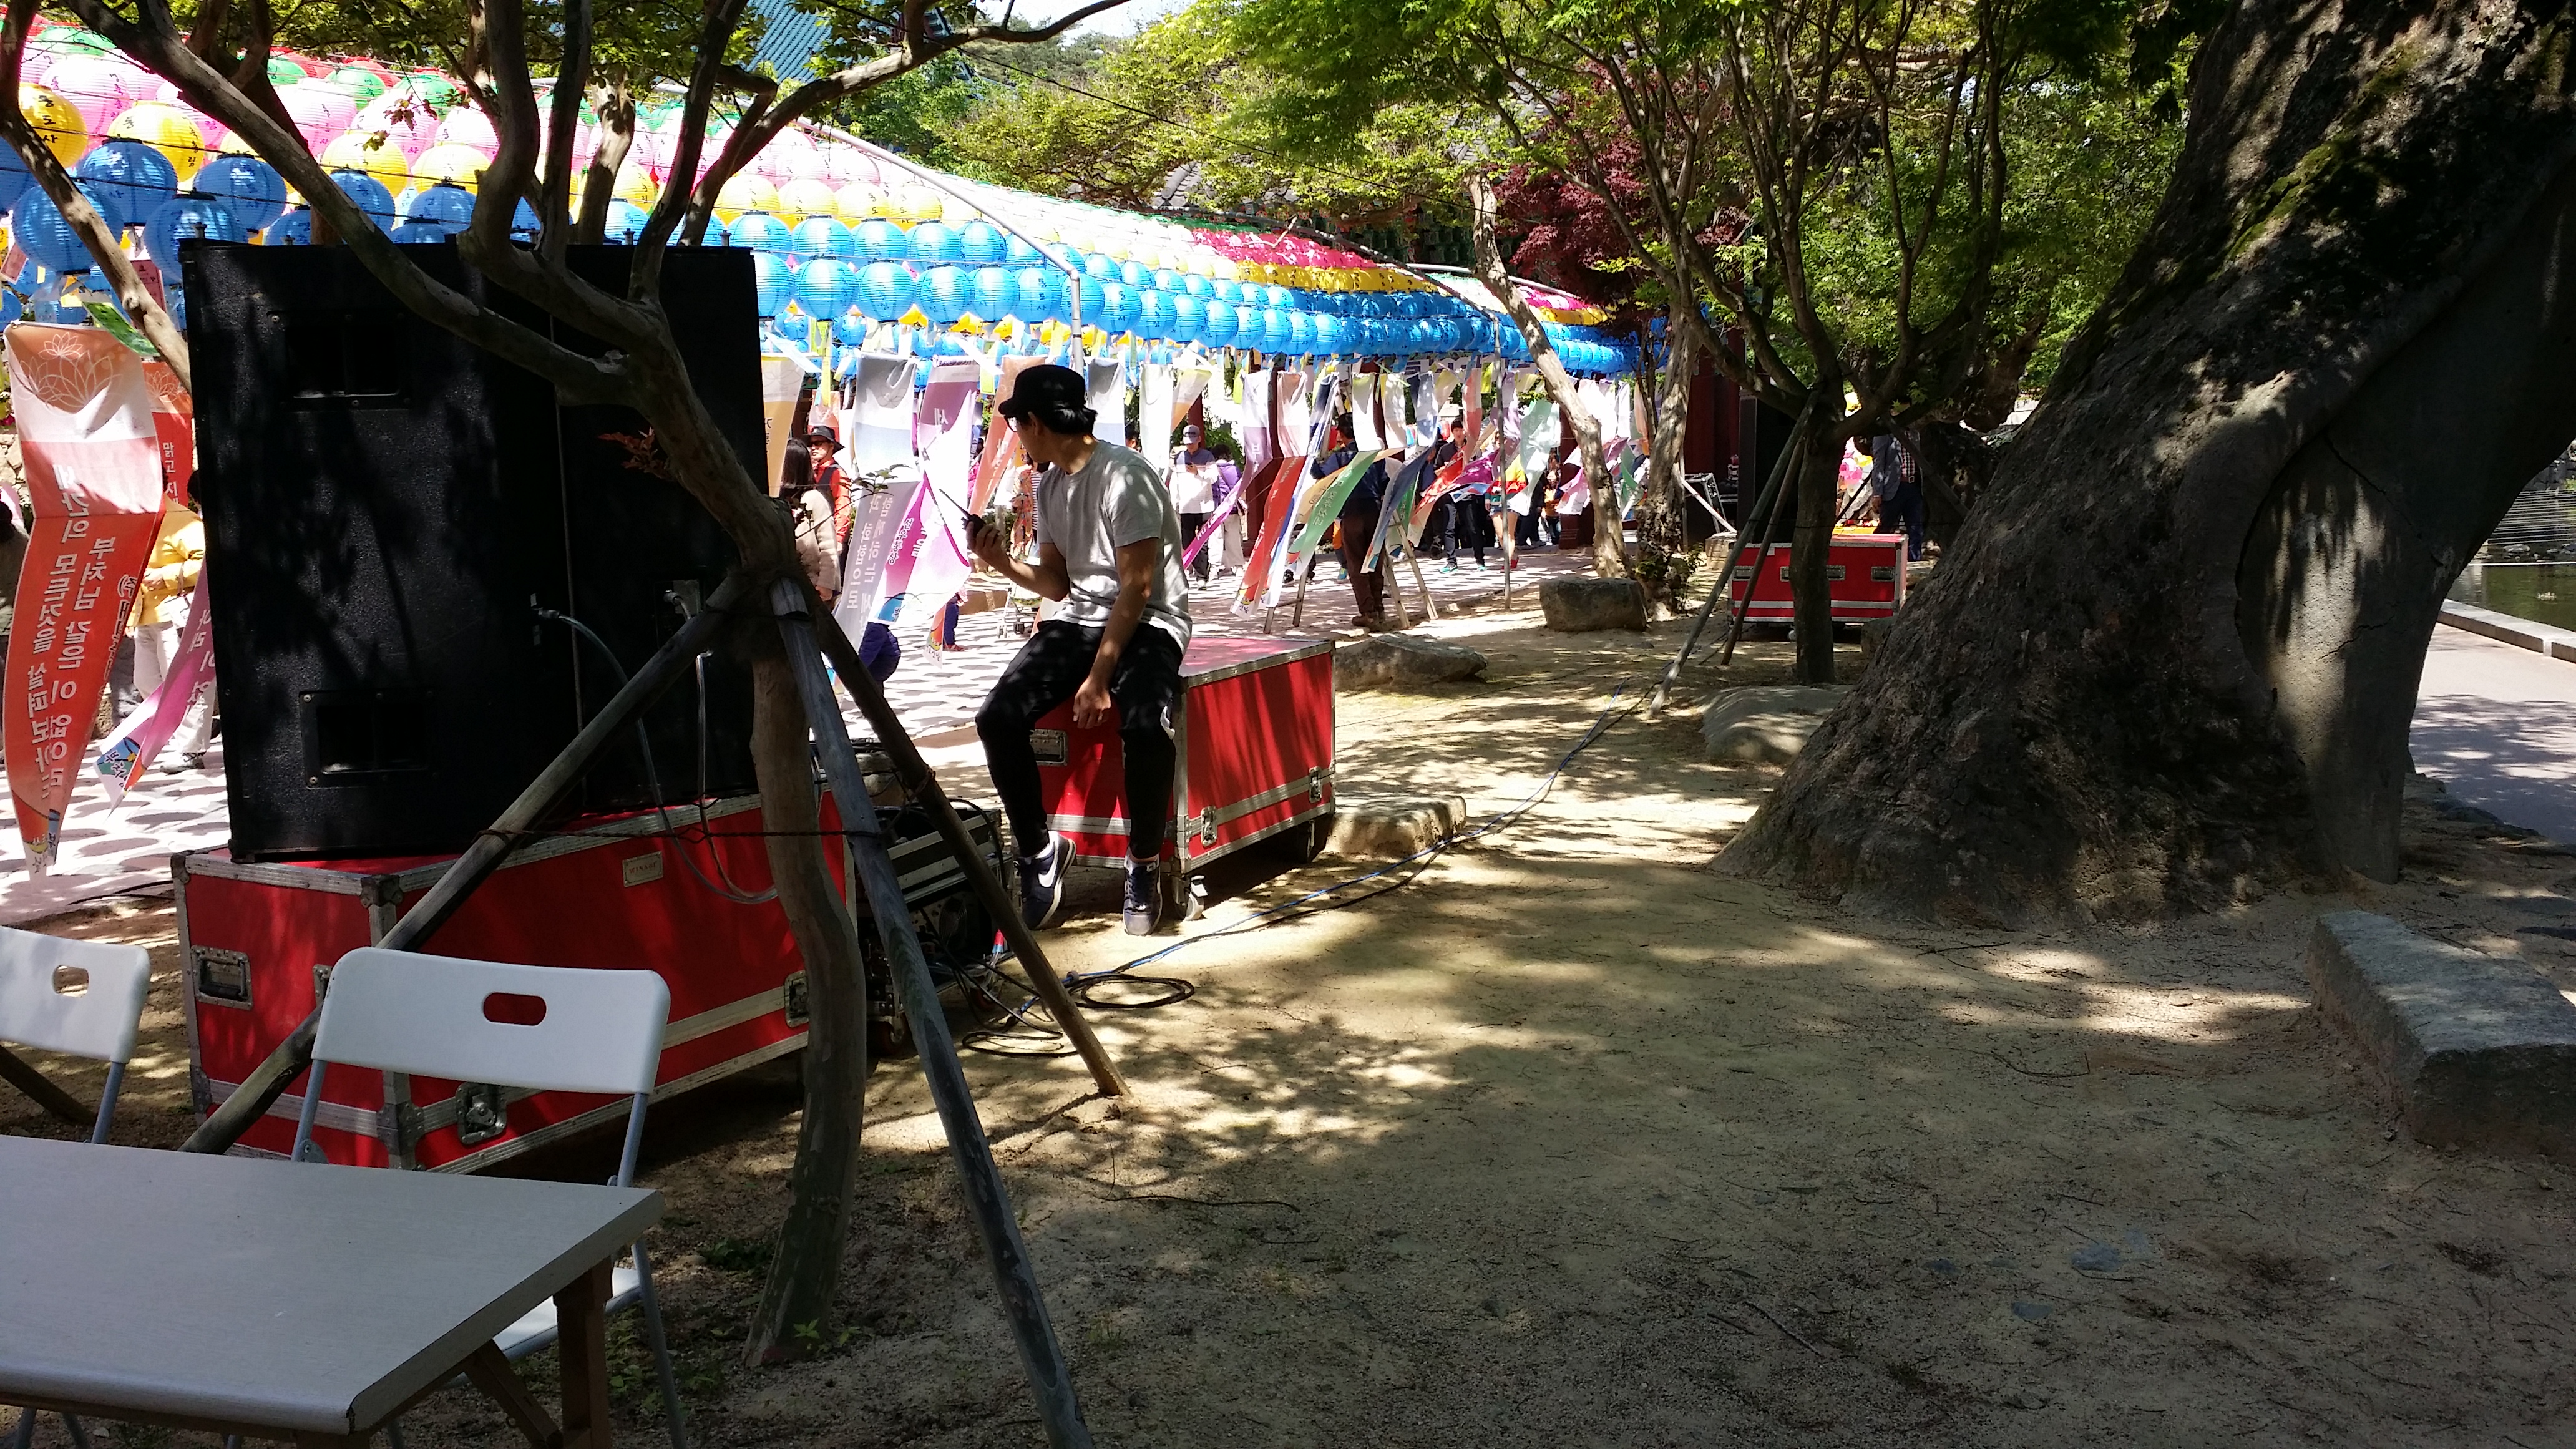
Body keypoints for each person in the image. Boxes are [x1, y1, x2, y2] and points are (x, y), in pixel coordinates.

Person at [969, 364, 1192, 937]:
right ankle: (1039, 851)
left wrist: (1098, 677)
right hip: (1082, 619)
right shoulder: (1049, 485)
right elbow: (1056, 584)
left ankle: (1144, 861)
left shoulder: (1126, 477)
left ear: (1036, 423)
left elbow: (1138, 589)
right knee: (997, 717)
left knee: (1145, 725)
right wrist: (1000, 562)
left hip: (1151, 621)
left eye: (1017, 423)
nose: (1017, 434)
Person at [131, 500, 212, 771]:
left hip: (176, 613)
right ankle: (191, 731)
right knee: (145, 682)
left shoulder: (180, 518)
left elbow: (207, 558)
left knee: (185, 682)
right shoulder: (136, 519)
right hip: (145, 616)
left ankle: (191, 749)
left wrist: (166, 575)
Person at [1310, 419, 1390, 628]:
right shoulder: (1373, 455)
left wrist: (1312, 455)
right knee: (1374, 559)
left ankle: (1368, 612)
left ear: (1342, 434)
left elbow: (1319, 474)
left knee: (1356, 563)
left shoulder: (1340, 457)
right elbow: (1385, 482)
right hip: (1374, 511)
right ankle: (1379, 609)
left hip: (1352, 512)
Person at [1168, 422, 1223, 585]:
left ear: (1199, 439)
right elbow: (1175, 482)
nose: (1190, 445)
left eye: (1192, 442)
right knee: (1187, 541)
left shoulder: (1207, 456)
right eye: (1187, 442)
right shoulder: (1179, 458)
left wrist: (1198, 472)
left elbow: (1214, 477)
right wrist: (1174, 501)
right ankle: (1194, 568)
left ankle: (1201, 577)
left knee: (1203, 541)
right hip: (1185, 506)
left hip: (1204, 505)